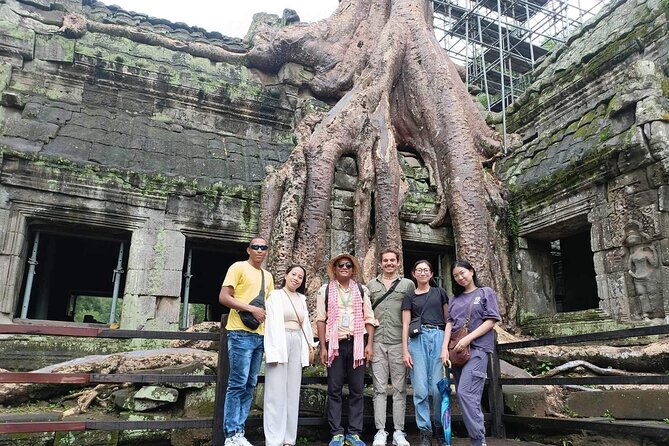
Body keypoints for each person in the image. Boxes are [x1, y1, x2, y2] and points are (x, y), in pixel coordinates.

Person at [316, 253, 378, 446]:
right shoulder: (325, 290)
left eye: (348, 266)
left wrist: (369, 345)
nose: (344, 268)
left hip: (357, 343)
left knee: (357, 390)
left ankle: (354, 433)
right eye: (341, 265)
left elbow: (369, 318)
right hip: (335, 344)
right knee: (334, 389)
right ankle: (336, 433)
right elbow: (320, 319)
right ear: (334, 269)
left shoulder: (361, 290)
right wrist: (323, 347)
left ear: (353, 270)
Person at [218, 237, 275, 446]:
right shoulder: (238, 267)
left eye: (263, 247)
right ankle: (230, 434)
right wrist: (251, 309)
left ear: (267, 251)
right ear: (248, 250)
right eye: (256, 247)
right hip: (240, 333)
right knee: (237, 383)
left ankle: (239, 432)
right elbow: (224, 297)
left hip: (259, 335)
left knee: (250, 384)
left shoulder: (267, 276)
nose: (260, 250)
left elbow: (268, 306)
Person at [445, 260, 501, 446]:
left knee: (465, 393)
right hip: (457, 353)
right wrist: (444, 350)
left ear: (472, 271)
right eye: (456, 275)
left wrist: (467, 339)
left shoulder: (485, 292)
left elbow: (491, 320)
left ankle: (478, 441)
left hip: (477, 350)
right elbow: (449, 324)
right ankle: (478, 439)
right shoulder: (454, 299)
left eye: (463, 273)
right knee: (468, 398)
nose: (460, 277)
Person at [367, 249, 415, 446]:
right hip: (377, 341)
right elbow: (367, 314)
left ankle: (398, 431)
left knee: (399, 388)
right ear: (380, 263)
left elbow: (413, 312)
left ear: (397, 263)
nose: (388, 263)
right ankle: (380, 430)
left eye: (392, 260)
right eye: (385, 260)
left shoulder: (408, 285)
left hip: (398, 342)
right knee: (378, 388)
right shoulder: (370, 285)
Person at [263, 264, 315, 446]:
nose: (296, 278)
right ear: (285, 275)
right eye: (293, 274)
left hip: (297, 342)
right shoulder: (275, 296)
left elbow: (306, 325)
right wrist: (272, 351)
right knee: (275, 393)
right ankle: (273, 439)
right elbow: (270, 325)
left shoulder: (302, 298)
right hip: (280, 341)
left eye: (300, 277)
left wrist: (310, 347)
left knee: (293, 392)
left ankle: (288, 439)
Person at [401, 260, 449, 446]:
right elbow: (405, 324)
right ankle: (425, 431)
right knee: (420, 389)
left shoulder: (440, 293)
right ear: (413, 274)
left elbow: (448, 320)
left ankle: (439, 427)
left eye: (426, 270)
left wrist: (446, 346)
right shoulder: (409, 296)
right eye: (419, 270)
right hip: (417, 340)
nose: (422, 273)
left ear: (431, 274)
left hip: (438, 336)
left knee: (438, 389)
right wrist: (405, 350)